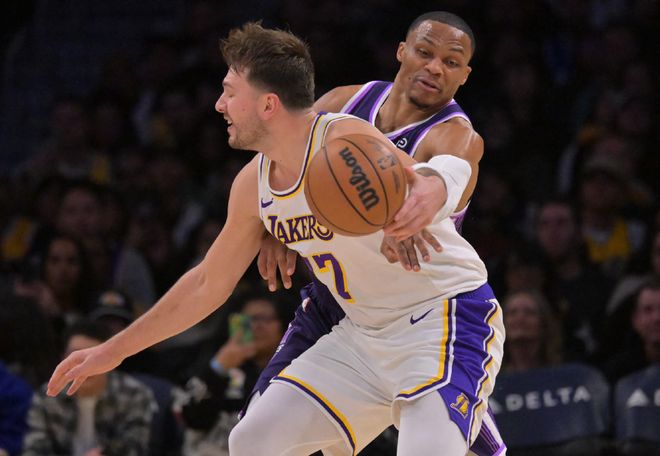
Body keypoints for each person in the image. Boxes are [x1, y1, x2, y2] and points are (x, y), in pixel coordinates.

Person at [47, 22, 504, 455]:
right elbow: (207, 283)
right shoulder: (253, 185)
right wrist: (113, 350)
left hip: (442, 320)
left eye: (230, 92)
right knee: (253, 441)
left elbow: (446, 170)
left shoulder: (348, 140)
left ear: (267, 105)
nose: (219, 105)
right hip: (362, 332)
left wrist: (428, 193)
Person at [250, 11, 505, 456]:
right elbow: (281, 161)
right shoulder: (343, 103)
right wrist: (272, 225)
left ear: (464, 75)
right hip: (338, 302)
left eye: (450, 62)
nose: (434, 67)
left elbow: (442, 179)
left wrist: (408, 210)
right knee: (255, 436)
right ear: (402, 51)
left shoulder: (455, 136)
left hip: (420, 309)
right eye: (424, 52)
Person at [24, 321, 156, 456]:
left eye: (93, 358)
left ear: (111, 360)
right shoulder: (47, 396)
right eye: (76, 357)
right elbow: (34, 447)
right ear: (63, 358)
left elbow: (135, 446)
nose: (84, 366)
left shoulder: (134, 394)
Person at [179, 293, 287, 455]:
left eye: (265, 319)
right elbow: (192, 417)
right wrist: (218, 368)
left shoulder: (292, 365)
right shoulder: (216, 357)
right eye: (248, 320)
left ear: (282, 325)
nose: (257, 326)